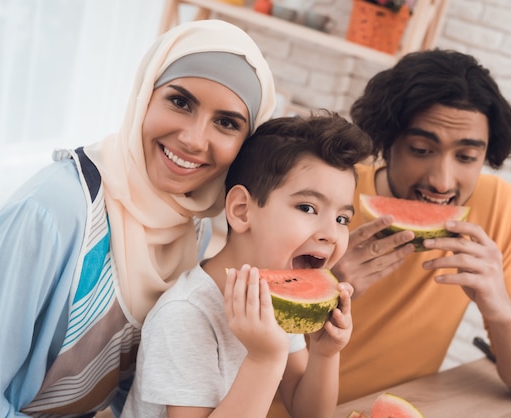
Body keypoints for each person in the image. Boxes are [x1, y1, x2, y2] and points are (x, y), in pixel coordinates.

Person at [0, 19, 277, 417]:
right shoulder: (54, 212)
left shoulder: (192, 229)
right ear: (144, 97)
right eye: (180, 102)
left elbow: (137, 382)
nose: (192, 139)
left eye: (226, 123)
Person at [264, 49, 511, 418]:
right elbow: (233, 339)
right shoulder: (326, 196)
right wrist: (325, 293)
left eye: (466, 157)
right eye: (421, 149)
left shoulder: (497, 207)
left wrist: (501, 310)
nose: (442, 181)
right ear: (386, 142)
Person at [121, 111, 373, 418]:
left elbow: (309, 414)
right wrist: (264, 360)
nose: (331, 234)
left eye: (342, 219)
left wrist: (324, 354)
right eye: (307, 207)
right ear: (241, 210)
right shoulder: (186, 315)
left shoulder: (279, 292)